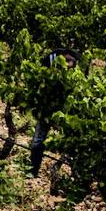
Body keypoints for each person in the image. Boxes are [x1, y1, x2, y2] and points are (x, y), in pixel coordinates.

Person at [29, 48, 81, 177]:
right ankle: (33, 171)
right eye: (68, 65)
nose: (69, 68)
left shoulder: (72, 71)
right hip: (46, 109)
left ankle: (74, 174)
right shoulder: (50, 61)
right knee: (37, 142)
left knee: (71, 143)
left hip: (64, 111)